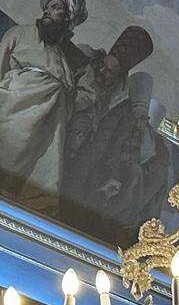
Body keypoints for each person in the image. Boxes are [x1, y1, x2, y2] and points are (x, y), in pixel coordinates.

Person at [0, 0, 97, 214]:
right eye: (48, 7)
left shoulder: (75, 58)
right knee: (7, 168)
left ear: (68, 18)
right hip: (14, 107)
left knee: (40, 177)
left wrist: (63, 101)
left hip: (52, 122)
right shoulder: (18, 34)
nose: (48, 12)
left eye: (57, 8)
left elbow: (89, 93)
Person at [62, 25, 158, 243]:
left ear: (119, 76)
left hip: (91, 158)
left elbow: (119, 146)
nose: (103, 73)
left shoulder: (122, 104)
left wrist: (112, 175)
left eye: (110, 71)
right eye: (103, 66)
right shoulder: (86, 67)